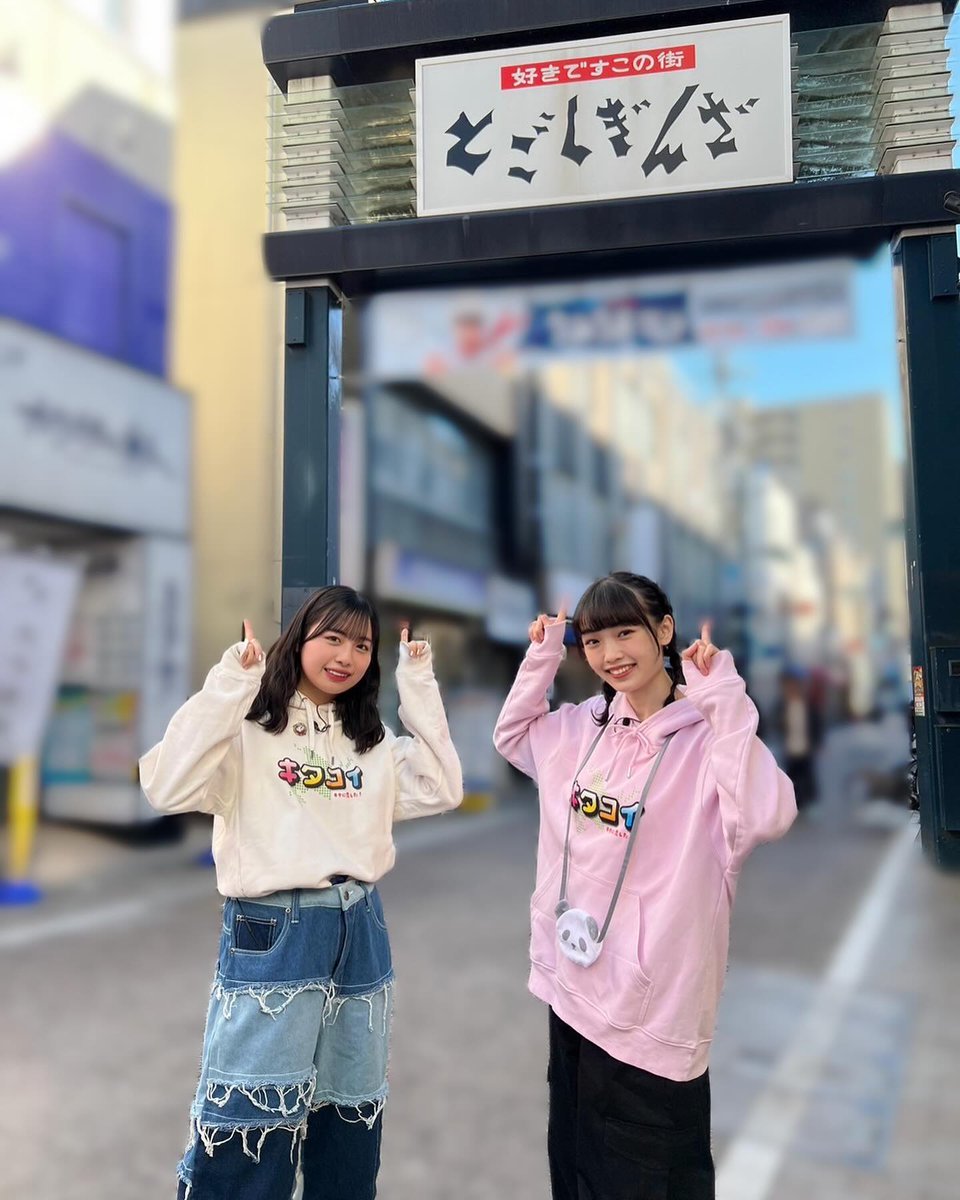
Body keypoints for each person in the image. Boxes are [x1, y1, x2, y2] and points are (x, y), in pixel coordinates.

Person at [139, 586, 463, 1200]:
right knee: (251, 1117)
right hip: (275, 931)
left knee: (348, 1112)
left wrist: (417, 681)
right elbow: (166, 785)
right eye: (332, 639)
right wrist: (231, 684)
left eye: (362, 646)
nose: (346, 656)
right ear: (299, 640)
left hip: (359, 928)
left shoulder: (370, 741)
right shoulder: (250, 729)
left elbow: (442, 786)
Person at [493, 572, 796, 1200]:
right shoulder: (582, 725)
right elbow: (513, 736)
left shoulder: (709, 742)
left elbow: (766, 815)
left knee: (645, 1181)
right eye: (593, 641)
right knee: (575, 1174)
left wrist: (722, 698)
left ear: (664, 630)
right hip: (572, 994)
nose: (611, 655)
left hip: (650, 1021)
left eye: (625, 633)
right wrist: (543, 655)